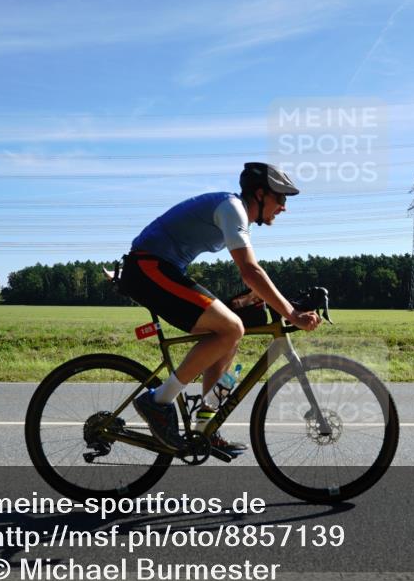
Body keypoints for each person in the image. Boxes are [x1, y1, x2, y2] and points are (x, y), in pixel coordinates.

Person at [121, 163, 321, 453]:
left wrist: (283, 302)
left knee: (230, 333)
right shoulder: (232, 208)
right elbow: (250, 271)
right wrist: (291, 313)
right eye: (281, 198)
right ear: (261, 194)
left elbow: (255, 279)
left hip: (163, 268)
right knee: (231, 327)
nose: (284, 207)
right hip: (148, 267)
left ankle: (206, 425)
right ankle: (158, 401)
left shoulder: (235, 212)